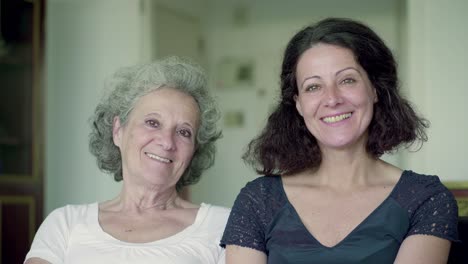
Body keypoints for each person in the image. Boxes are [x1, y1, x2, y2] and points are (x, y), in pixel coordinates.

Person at [220, 18, 459, 264]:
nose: (332, 99)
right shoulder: (258, 200)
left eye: (347, 80)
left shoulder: (426, 199)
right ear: (299, 104)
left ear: (375, 89)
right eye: (313, 87)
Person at [25, 57, 229, 264]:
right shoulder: (65, 223)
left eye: (184, 132)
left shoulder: (223, 226)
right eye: (152, 122)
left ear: (194, 149)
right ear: (118, 130)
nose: (167, 142)